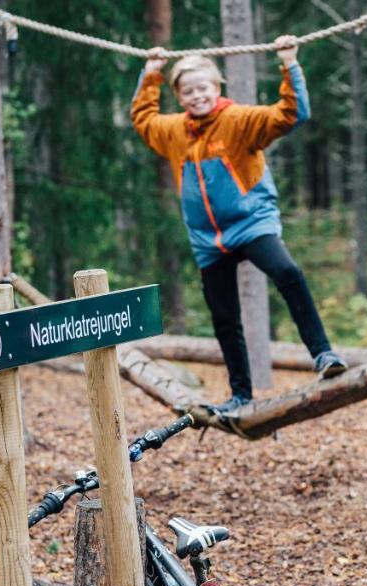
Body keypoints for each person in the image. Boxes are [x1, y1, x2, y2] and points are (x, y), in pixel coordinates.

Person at [131, 36, 347, 414]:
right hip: (207, 240)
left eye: (203, 88)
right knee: (224, 315)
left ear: (217, 88)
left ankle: (323, 353)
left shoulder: (239, 120)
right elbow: (143, 120)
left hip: (251, 223)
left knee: (288, 272)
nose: (197, 96)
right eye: (188, 91)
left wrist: (289, 63)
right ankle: (241, 395)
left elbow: (292, 114)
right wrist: (151, 75)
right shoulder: (175, 131)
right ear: (180, 97)